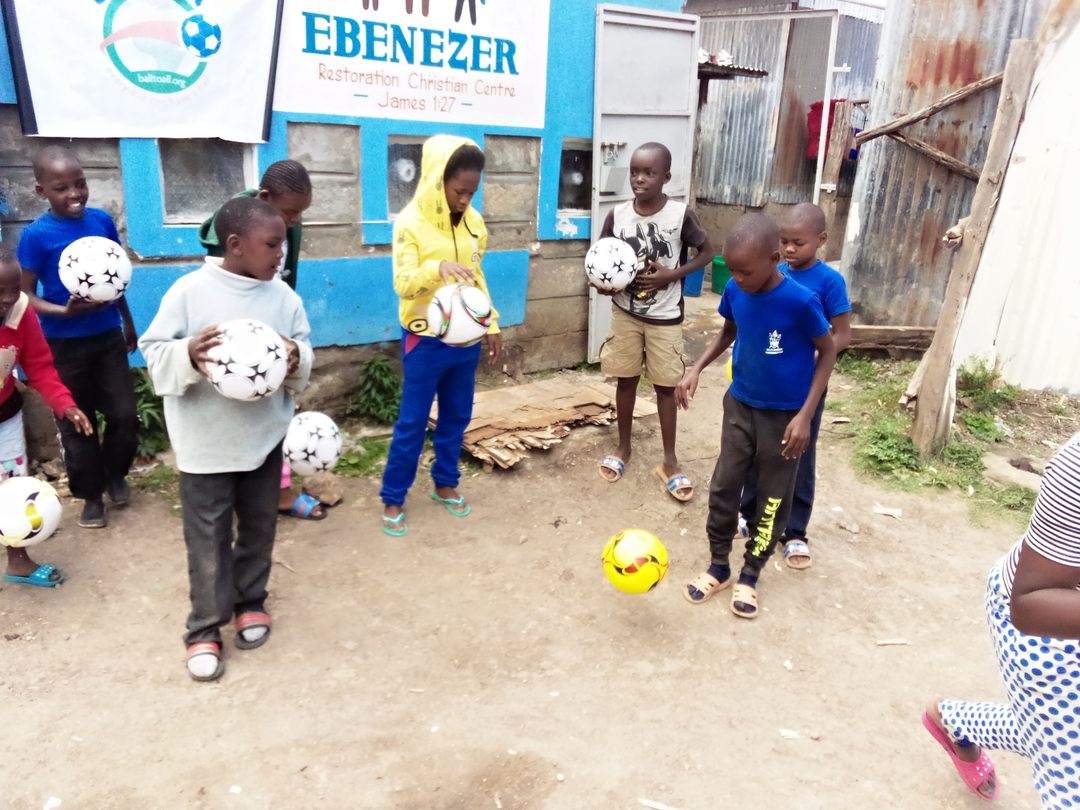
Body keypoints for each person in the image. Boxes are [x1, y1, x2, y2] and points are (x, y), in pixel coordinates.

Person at [140, 196, 313, 682]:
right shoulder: (189, 293)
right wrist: (188, 354)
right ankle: (203, 627)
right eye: (272, 244)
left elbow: (304, 346)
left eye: (282, 244)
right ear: (235, 245)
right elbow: (153, 352)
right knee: (208, 538)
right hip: (205, 445)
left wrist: (296, 357)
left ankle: (250, 601)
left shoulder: (284, 298)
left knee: (259, 526)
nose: (281, 253)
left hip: (263, 439)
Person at [675, 214, 835, 618]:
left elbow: (828, 350)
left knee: (772, 499)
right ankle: (718, 566)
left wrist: (805, 415)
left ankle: (750, 574)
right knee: (723, 486)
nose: (738, 278)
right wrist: (696, 368)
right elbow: (728, 331)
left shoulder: (800, 301)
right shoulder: (735, 288)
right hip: (740, 405)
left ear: (774, 259)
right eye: (733, 270)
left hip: (784, 418)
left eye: (746, 271)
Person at [924, 432, 1080, 807]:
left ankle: (953, 719)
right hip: (1049, 632)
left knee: (1049, 728)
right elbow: (1030, 604)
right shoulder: (1076, 466)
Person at [379, 135, 501, 538]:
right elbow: (402, 284)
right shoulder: (409, 223)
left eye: (472, 192)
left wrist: (491, 323)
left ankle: (445, 482)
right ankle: (393, 496)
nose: (465, 200)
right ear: (437, 181)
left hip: (465, 341)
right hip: (424, 341)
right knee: (413, 421)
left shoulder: (474, 223)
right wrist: (437, 269)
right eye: (459, 191)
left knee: (457, 415)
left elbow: (477, 276)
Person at [17, 146, 138, 530]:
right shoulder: (35, 236)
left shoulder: (101, 222)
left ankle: (115, 474)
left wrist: (127, 320)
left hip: (107, 336)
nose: (75, 194)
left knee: (124, 414)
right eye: (62, 188)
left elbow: (116, 278)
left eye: (80, 184)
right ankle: (90, 496)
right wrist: (63, 312)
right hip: (62, 346)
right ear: (42, 191)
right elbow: (25, 295)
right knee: (76, 421)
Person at [198, 160, 322, 521]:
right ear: (266, 198)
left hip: (276, 324)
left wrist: (288, 332)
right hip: (241, 341)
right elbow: (227, 293)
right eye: (291, 213)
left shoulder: (286, 222)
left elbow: (284, 277)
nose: (295, 221)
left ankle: (276, 492)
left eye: (300, 214)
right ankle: (245, 494)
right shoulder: (235, 231)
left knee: (279, 409)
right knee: (244, 410)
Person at [594, 142, 714, 503]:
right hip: (625, 314)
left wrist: (672, 275)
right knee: (626, 380)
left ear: (666, 177)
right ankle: (623, 447)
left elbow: (707, 253)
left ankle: (670, 461)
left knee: (665, 388)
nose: (639, 179)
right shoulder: (617, 215)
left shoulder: (680, 215)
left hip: (664, 316)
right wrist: (602, 282)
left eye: (649, 173)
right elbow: (599, 257)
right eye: (634, 172)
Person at [739, 202, 851, 570]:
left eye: (798, 243)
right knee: (758, 451)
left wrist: (815, 360)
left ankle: (795, 531)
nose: (789, 249)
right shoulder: (773, 273)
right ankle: (750, 514)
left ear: (821, 240)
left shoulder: (829, 282)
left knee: (798, 455)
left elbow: (842, 334)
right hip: (769, 384)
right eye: (784, 241)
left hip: (806, 387)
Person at [0, 251, 93, 588]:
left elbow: (39, 365)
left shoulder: (19, 312)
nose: (8, 299)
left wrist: (64, 404)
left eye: (14, 290)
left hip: (5, 416)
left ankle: (18, 560)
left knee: (12, 490)